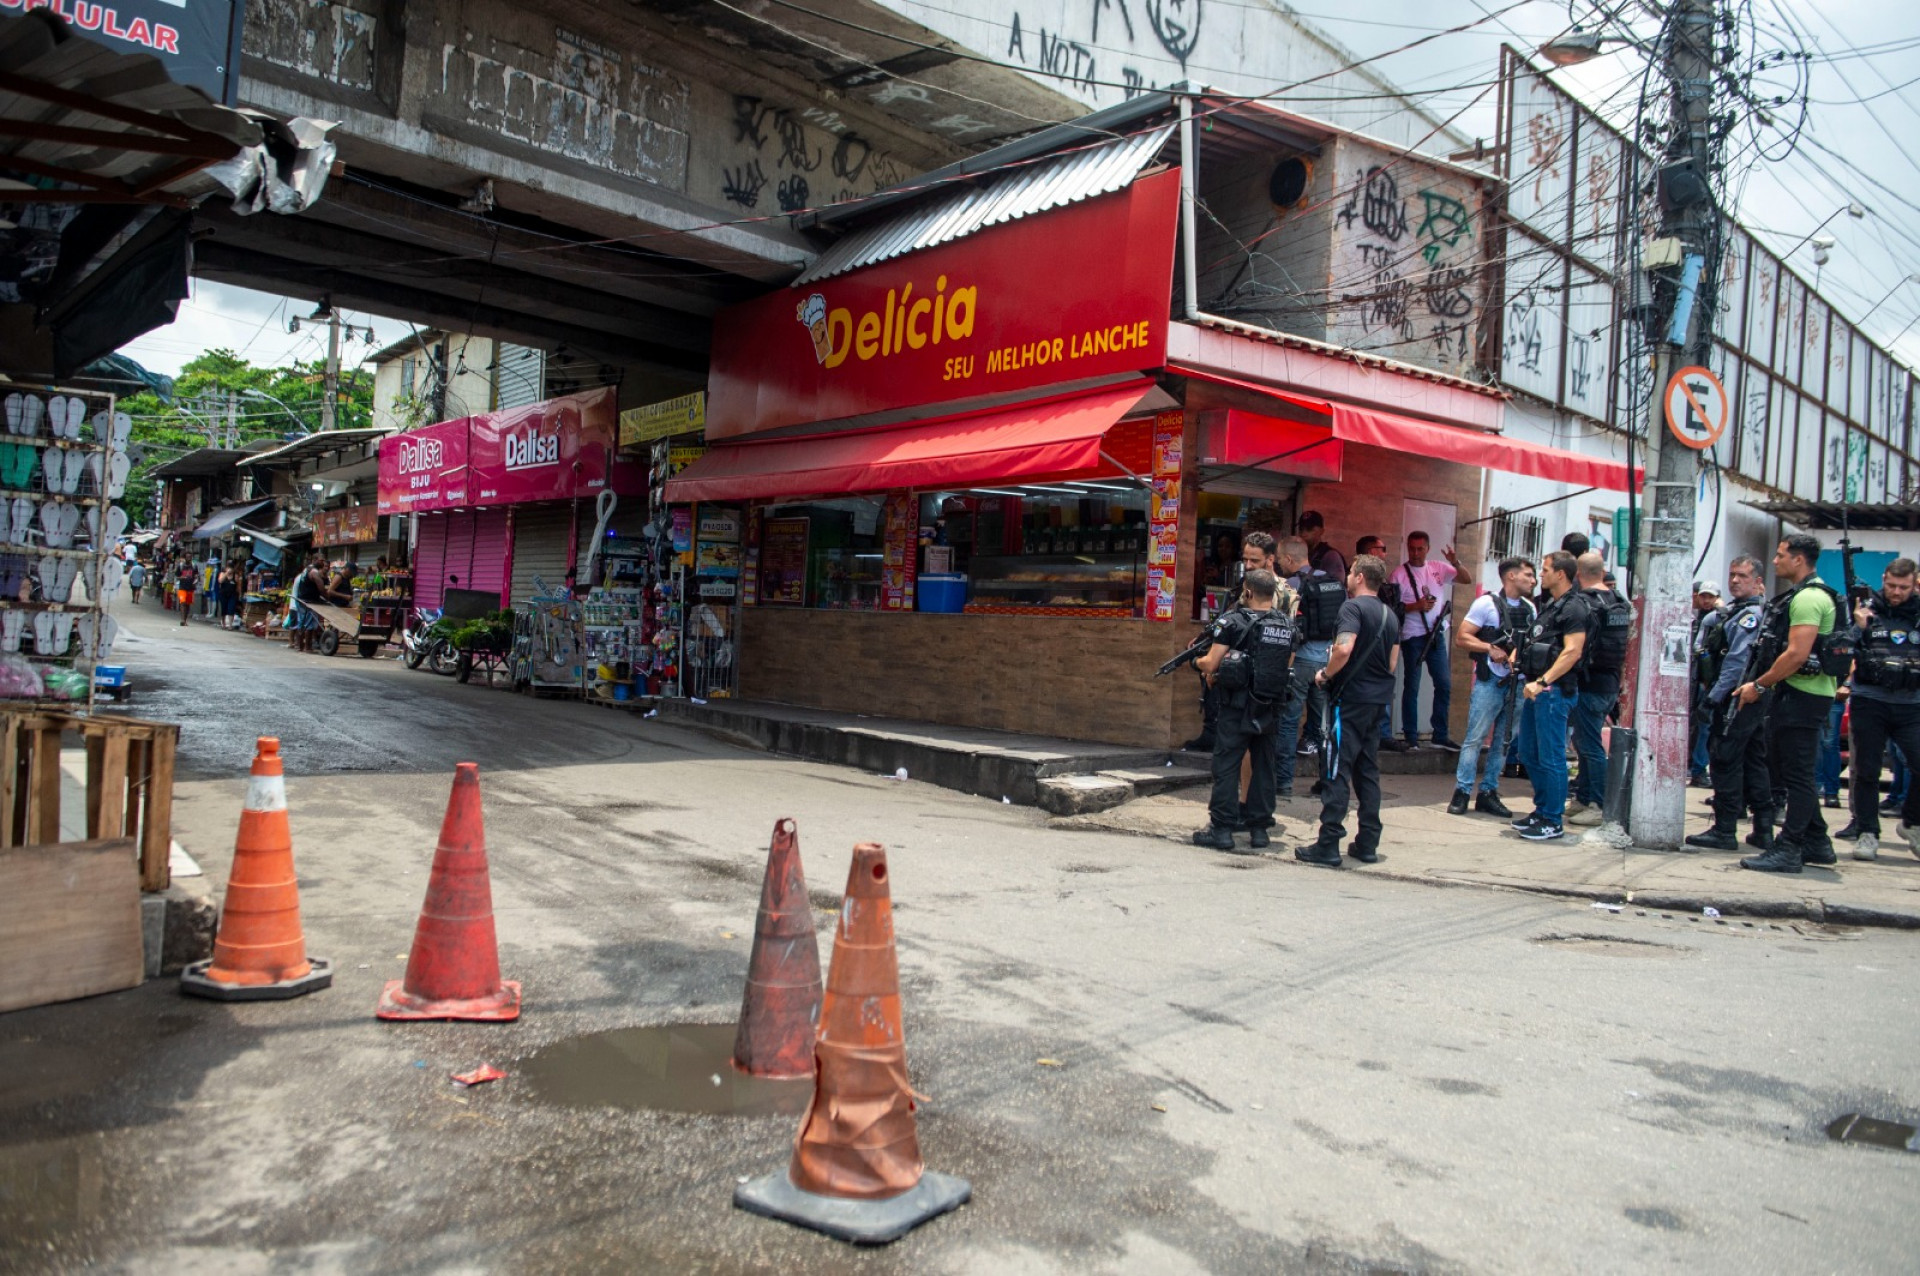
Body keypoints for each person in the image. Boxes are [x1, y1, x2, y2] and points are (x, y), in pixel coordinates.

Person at [1734, 534, 1843, 874]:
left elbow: (1796, 654)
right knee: (1788, 769)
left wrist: (1758, 684)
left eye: (1781, 555)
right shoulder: (1809, 594)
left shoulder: (1809, 598)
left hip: (1803, 695)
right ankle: (1817, 842)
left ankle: (1790, 846)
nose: (1776, 561)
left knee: (1797, 776)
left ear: (1799, 560)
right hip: (1803, 693)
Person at [1300, 554, 1400, 866]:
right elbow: (1392, 663)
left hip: (1350, 700)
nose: (1348, 576)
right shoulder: (1390, 614)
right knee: (1367, 770)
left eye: (1351, 572)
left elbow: (1344, 649)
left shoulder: (1352, 608)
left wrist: (1325, 674)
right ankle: (1367, 841)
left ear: (1359, 577)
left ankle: (1328, 842)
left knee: (1336, 768)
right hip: (1376, 700)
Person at [1192, 569, 1295, 853]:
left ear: (1247, 592)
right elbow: (1286, 665)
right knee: (1264, 766)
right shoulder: (1286, 624)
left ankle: (1222, 830)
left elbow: (1212, 663)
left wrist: (1198, 663)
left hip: (1237, 706)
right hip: (1270, 705)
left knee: (1226, 766)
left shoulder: (1232, 621)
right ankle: (1259, 830)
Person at [1687, 556, 1772, 851]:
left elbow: (1736, 661)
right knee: (1753, 760)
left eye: (1743, 576)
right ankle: (1762, 828)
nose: (1735, 580)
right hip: (1745, 698)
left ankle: (1725, 829)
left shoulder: (1752, 615)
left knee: (1724, 760)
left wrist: (1713, 698)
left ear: (1757, 581)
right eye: (1732, 574)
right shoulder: (1733, 612)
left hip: (1737, 698)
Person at [1840, 558, 1920, 861]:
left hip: (1911, 703)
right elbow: (1843, 648)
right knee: (1867, 771)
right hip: (1870, 701)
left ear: (1915, 585)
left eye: (1903, 587)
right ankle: (1867, 833)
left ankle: (1912, 823)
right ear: (1883, 579)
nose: (1896, 592)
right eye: (1891, 585)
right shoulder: (1865, 609)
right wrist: (1859, 628)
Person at [1511, 550, 1590, 841]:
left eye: (1545, 570)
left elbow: (1573, 651)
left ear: (1560, 574)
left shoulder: (1575, 608)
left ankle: (1552, 819)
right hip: (1537, 690)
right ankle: (1542, 810)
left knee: (1552, 756)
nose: (1540, 575)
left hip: (1553, 691)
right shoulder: (1549, 606)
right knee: (1528, 753)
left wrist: (1543, 681)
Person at [1448, 556, 1536, 818]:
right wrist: (1490, 648)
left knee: (1503, 743)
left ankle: (1488, 792)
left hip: (1517, 684)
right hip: (1490, 682)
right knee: (1474, 739)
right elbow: (1462, 637)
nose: (1532, 580)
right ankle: (1462, 792)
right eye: (1528, 575)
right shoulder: (1486, 604)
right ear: (1511, 576)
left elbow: (1532, 639)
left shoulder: (1530, 608)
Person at [1276, 536, 1343, 798]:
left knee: (1289, 721)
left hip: (1300, 660)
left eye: (1281, 559)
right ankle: (1327, 781)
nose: (1280, 564)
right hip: (1327, 662)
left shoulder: (1290, 585)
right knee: (1324, 726)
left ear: (1290, 559)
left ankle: (1283, 782)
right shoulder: (1333, 582)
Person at [1566, 552, 1629, 826]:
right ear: (1603, 573)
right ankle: (1584, 797)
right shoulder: (1620, 602)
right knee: (1583, 742)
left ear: (1578, 575)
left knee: (1590, 746)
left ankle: (1599, 804)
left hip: (1589, 683)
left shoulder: (1583, 603)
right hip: (1610, 683)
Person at [1394, 531, 1463, 751]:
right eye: (1411, 548)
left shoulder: (1438, 568)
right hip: (1412, 636)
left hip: (1436, 634)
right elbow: (1391, 606)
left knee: (1444, 684)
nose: (1415, 553)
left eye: (1419, 549)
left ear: (1427, 548)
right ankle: (1411, 736)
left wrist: (1455, 562)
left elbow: (1466, 579)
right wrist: (1416, 606)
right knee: (1411, 686)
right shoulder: (1399, 574)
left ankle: (1440, 735)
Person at [1689, 580, 1725, 785]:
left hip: (1712, 682)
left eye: (1710, 597)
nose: (1706, 600)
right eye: (1703, 596)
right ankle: (1697, 769)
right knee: (1702, 726)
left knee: (1707, 727)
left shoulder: (1720, 617)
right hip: (1700, 682)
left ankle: (1700, 768)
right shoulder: (1697, 618)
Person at [291, 553, 326, 653]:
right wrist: (327, 597)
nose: (323, 563)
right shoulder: (314, 572)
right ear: (315, 560)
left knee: (302, 623)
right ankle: (308, 647)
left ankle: (299, 646)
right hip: (309, 602)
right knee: (309, 625)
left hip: (302, 599)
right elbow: (321, 588)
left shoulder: (307, 569)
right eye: (321, 560)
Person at [1296, 510, 1346, 581]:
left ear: (1321, 531)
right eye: (1301, 529)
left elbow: (1335, 586)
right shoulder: (1302, 554)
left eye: (1309, 529)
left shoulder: (1330, 556)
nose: (1304, 533)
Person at [174, 559, 197, 626]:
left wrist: (195, 581)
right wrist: (181, 577)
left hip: (190, 588)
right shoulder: (180, 566)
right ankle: (182, 620)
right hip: (182, 588)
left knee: (187, 604)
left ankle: (185, 619)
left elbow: (196, 576)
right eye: (187, 557)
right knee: (182, 602)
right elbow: (177, 576)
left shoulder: (194, 566)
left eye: (190, 557)